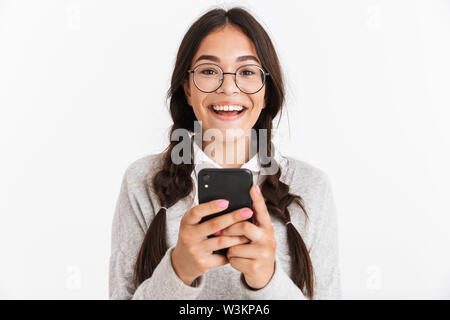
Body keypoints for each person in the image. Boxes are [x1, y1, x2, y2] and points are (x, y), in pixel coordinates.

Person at [109, 7, 341, 300]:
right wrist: (178, 271)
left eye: (246, 72)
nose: (228, 87)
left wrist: (267, 281)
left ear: (266, 90)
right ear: (188, 89)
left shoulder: (311, 187)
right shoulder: (142, 182)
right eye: (208, 71)